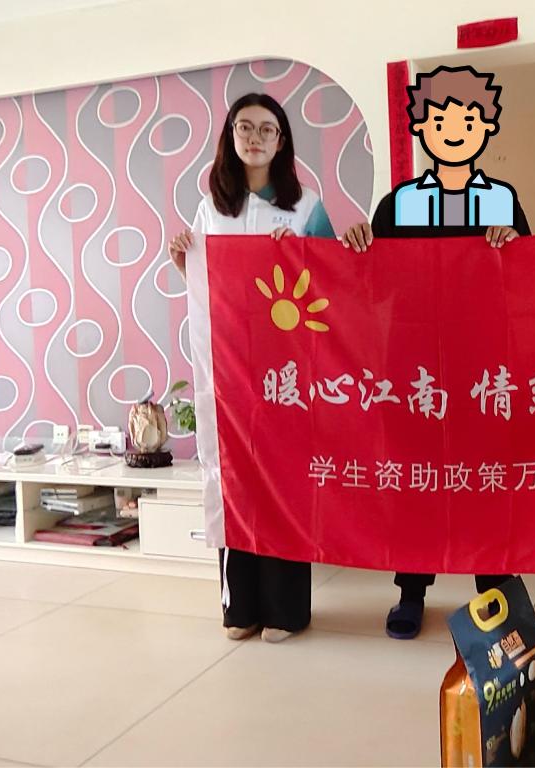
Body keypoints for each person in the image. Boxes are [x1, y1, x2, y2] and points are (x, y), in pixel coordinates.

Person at [341, 65, 531, 639]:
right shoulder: (398, 205)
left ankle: (496, 590)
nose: (454, 131)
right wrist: (358, 246)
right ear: (421, 129)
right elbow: (371, 287)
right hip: (413, 363)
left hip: (482, 362)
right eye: (441, 121)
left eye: (468, 121)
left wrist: (515, 247)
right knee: (416, 476)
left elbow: (529, 278)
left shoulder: (502, 201)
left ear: (485, 128)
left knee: (486, 474)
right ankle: (411, 590)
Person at [169, 92, 335, 642]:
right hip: (228, 368)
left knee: (283, 478)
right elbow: (210, 287)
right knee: (231, 476)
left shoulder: (305, 205)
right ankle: (240, 606)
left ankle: (287, 610)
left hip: (287, 369)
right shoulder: (211, 208)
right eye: (245, 127)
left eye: (267, 129)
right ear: (230, 136)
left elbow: (334, 281)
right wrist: (185, 261)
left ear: (282, 141)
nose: (255, 137)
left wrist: (301, 254)